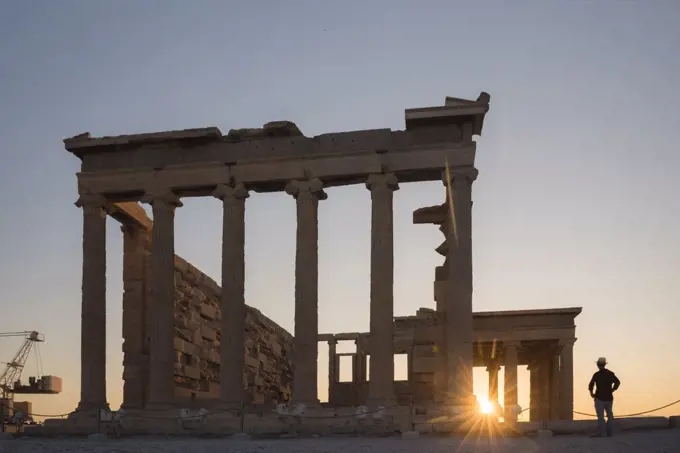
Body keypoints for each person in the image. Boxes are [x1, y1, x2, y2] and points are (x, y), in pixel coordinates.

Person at [588, 357, 620, 437]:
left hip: (599, 397)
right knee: (609, 415)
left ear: (598, 365)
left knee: (601, 416)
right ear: (604, 364)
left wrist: (591, 393)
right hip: (609, 397)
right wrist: (612, 390)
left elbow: (591, 385)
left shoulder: (596, 374)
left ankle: (602, 433)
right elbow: (617, 382)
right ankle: (610, 433)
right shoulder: (610, 373)